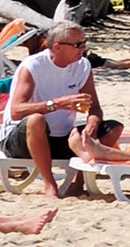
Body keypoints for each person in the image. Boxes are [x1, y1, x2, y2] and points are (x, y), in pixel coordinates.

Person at [5, 22, 102, 198]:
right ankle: (50, 184)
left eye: (84, 43)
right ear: (57, 47)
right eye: (78, 45)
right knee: (36, 119)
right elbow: (16, 111)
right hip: (22, 139)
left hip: (62, 137)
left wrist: (92, 124)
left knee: (111, 128)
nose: (83, 49)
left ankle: (78, 183)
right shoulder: (33, 66)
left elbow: (94, 107)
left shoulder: (82, 66)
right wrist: (57, 104)